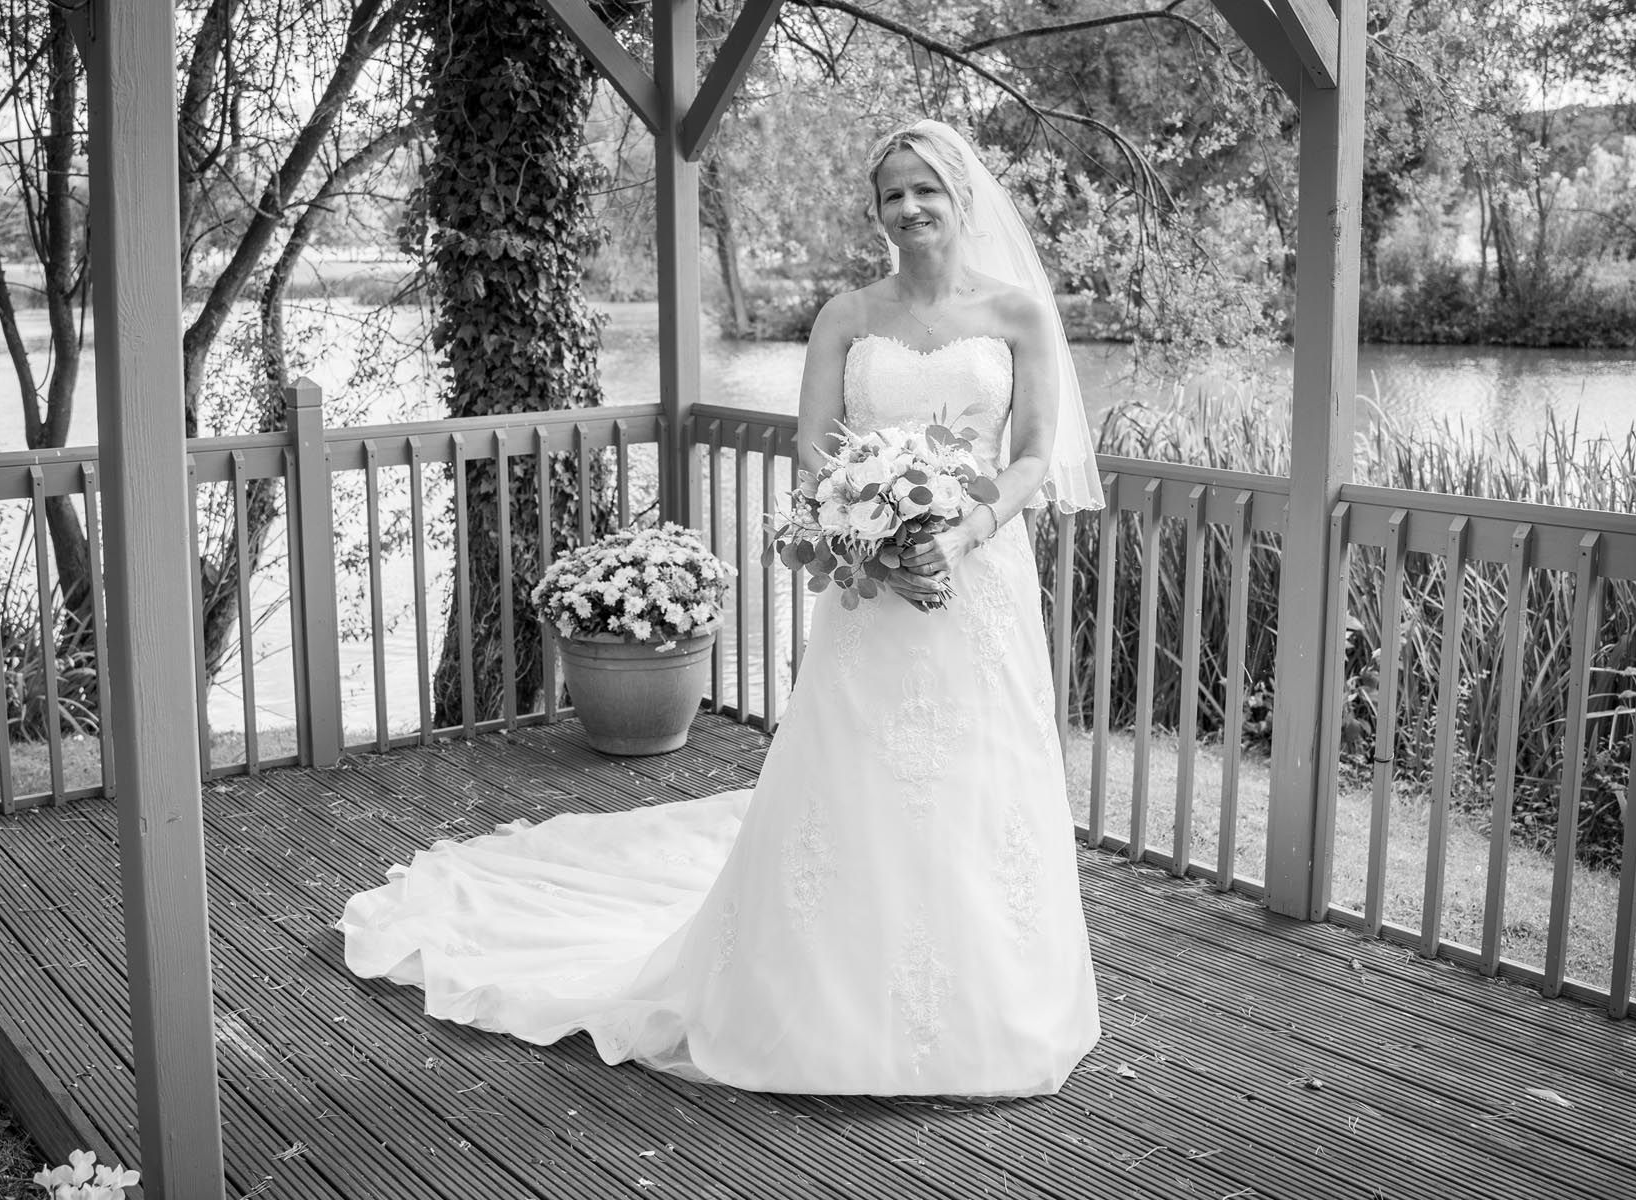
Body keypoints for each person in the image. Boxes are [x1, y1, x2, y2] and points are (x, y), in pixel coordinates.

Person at [340, 118, 1105, 1097]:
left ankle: (988, 1005)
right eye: (891, 195)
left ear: (963, 195)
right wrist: (872, 531)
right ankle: (832, 1003)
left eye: (927, 189)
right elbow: (817, 451)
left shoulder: (1017, 314)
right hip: (870, 591)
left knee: (981, 781)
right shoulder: (846, 315)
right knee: (857, 776)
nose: (910, 208)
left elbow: (1034, 453)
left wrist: (953, 536)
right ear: (875, 213)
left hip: (980, 582)